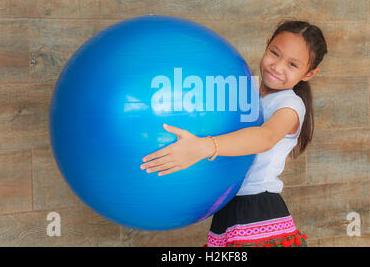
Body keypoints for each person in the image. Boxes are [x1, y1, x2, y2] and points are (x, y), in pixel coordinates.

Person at [140, 20, 328, 247]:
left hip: (257, 209)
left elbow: (265, 137)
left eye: (292, 64)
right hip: (227, 207)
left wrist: (203, 146)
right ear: (267, 45)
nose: (278, 66)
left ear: (308, 74)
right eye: (274, 53)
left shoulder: (290, 104)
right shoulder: (247, 93)